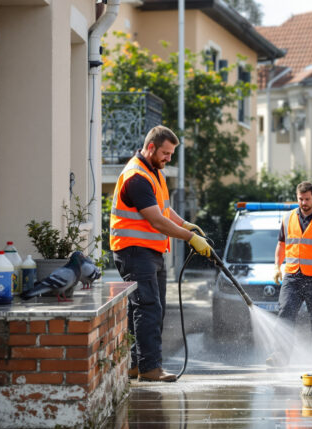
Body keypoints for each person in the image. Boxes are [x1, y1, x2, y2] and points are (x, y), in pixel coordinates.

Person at [110, 125, 211, 382]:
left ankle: (136, 364)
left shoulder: (155, 173)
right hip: (134, 251)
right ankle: (150, 368)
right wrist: (190, 238)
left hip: (151, 251)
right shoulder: (137, 177)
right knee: (148, 308)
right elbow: (156, 220)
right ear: (151, 147)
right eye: (166, 153)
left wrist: (186, 224)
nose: (168, 158)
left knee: (147, 309)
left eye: (171, 154)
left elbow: (164, 211)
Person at [269, 181, 312, 366]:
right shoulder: (287, 218)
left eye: (307, 199)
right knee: (285, 314)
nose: (303, 203)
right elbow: (281, 245)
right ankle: (279, 358)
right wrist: (277, 266)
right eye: (300, 199)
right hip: (293, 276)